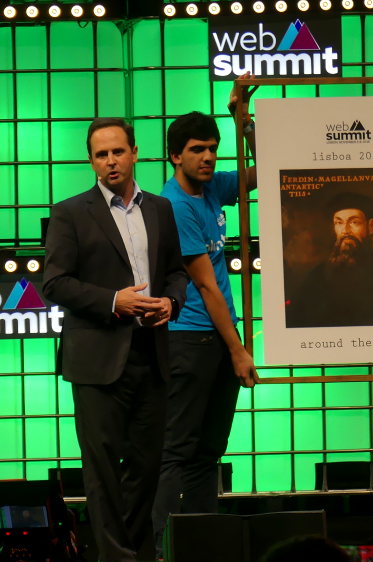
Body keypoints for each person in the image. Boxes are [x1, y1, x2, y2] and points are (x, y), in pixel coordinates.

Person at [42, 117, 187, 561]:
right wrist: (112, 301)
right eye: (101, 154)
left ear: (134, 153)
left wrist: (171, 302)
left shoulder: (160, 208)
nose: (110, 161)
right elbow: (54, 283)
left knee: (146, 469)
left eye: (117, 151)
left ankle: (138, 555)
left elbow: (177, 271)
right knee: (103, 474)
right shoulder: (70, 212)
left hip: (151, 353)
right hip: (97, 360)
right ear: (91, 161)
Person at [151, 78, 262, 556]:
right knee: (177, 450)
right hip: (189, 338)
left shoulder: (211, 187)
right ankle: (156, 547)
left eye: (213, 148)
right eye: (198, 149)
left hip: (216, 337)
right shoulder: (174, 204)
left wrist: (244, 121)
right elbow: (206, 285)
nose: (209, 157)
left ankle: (198, 546)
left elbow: (265, 170)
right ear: (175, 155)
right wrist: (238, 350)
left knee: (208, 453)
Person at [285, 190, 373, 328]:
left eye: (354, 222)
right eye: (339, 223)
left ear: (370, 226)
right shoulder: (317, 276)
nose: (345, 230)